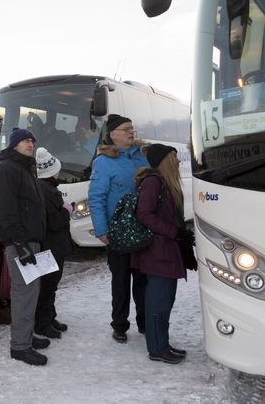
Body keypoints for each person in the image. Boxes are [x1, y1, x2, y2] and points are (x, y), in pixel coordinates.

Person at [88, 114, 150, 344]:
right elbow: (96, 198)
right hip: (118, 232)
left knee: (143, 280)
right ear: (113, 134)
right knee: (121, 281)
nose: (131, 132)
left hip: (143, 229)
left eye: (132, 128)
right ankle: (120, 325)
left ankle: (144, 322)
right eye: (125, 129)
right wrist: (102, 230)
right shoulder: (104, 162)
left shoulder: (143, 158)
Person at [0, 128, 50, 366]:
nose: (31, 144)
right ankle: (20, 346)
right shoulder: (7, 169)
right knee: (24, 292)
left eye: (32, 140)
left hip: (30, 239)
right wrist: (21, 244)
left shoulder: (24, 167)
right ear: (14, 144)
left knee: (31, 291)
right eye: (26, 140)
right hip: (21, 241)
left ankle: (26, 335)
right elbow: (6, 211)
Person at [132, 144, 188, 364]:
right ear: (165, 160)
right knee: (158, 302)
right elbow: (144, 214)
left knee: (166, 301)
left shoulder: (164, 183)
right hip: (157, 252)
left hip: (166, 250)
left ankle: (162, 344)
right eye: (174, 157)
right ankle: (157, 349)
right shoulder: (153, 182)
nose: (179, 161)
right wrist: (172, 231)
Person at [34, 148, 74, 339]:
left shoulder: (43, 188)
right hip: (51, 246)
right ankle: (43, 323)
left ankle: (49, 318)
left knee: (49, 285)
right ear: (51, 172)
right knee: (48, 286)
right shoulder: (48, 191)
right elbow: (55, 222)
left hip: (49, 245)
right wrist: (67, 210)